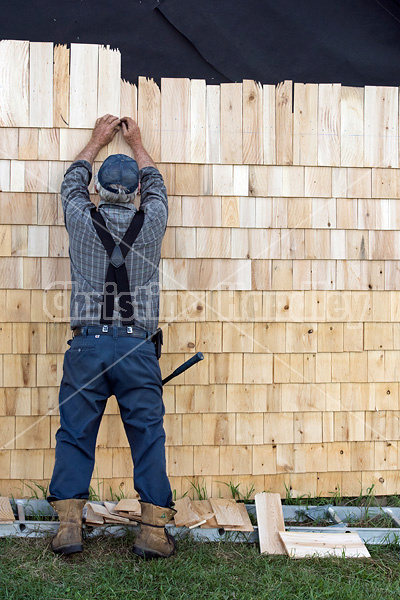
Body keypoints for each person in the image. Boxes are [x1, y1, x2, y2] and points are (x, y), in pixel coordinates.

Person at [46, 114, 176, 559]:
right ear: (136, 191)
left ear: (98, 190)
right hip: (138, 349)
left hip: (88, 346)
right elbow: (158, 185)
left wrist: (95, 141)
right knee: (148, 436)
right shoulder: (153, 219)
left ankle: (68, 528)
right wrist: (136, 142)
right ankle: (153, 533)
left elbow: (71, 183)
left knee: (76, 434)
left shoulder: (82, 219)